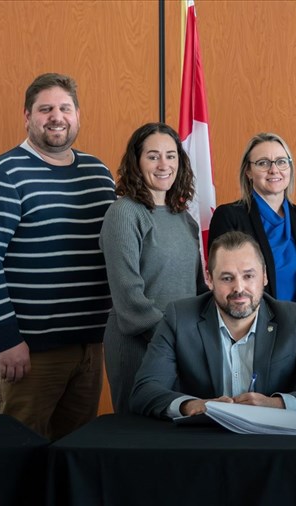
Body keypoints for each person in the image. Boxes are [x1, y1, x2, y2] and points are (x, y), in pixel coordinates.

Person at [0, 73, 115, 439]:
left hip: (89, 347)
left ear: (78, 115)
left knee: (74, 455)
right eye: (45, 109)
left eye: (64, 108)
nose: (56, 117)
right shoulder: (1, 175)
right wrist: (6, 339)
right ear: (27, 116)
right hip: (28, 350)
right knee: (18, 454)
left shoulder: (98, 173)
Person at [130, 231, 296, 419]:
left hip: (274, 445)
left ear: (264, 276)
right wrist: (192, 405)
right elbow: (144, 391)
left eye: (248, 275)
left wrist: (276, 405)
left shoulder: (294, 318)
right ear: (209, 279)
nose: (239, 288)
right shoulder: (180, 317)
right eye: (226, 278)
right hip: (204, 443)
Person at [100, 122, 205, 413]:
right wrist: (176, 340)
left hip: (182, 345)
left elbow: (196, 289)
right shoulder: (124, 213)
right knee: (140, 435)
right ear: (136, 161)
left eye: (171, 156)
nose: (164, 164)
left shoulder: (184, 218)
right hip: (138, 345)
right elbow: (128, 297)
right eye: (153, 156)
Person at [208, 133, 296, 324]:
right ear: (248, 171)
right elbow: (225, 281)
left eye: (281, 162)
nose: (274, 170)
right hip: (247, 330)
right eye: (263, 163)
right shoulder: (229, 217)